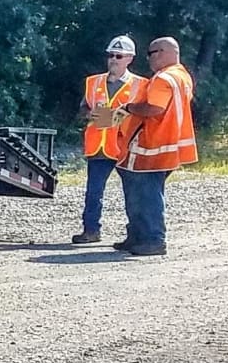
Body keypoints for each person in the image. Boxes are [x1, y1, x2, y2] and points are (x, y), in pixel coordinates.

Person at [115, 36, 197, 257]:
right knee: (143, 190)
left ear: (163, 52)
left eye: (151, 54)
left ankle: (152, 239)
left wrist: (130, 108)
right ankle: (138, 236)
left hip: (153, 144)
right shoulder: (182, 77)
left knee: (147, 193)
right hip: (168, 144)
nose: (149, 59)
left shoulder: (163, 79)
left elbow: (154, 109)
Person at [73, 35, 141, 243]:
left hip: (125, 147)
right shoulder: (93, 82)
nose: (113, 59)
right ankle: (91, 230)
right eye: (110, 55)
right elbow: (83, 108)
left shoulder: (140, 85)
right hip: (98, 146)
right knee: (93, 193)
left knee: (133, 194)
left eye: (118, 56)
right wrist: (92, 114)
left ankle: (136, 234)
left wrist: (105, 116)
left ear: (129, 59)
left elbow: (138, 114)